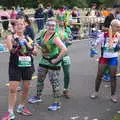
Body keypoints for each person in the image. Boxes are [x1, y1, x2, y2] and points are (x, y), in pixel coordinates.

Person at [28, 18, 67, 111]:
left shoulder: (55, 38)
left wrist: (57, 59)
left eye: (53, 26)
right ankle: (38, 97)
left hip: (54, 62)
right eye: (49, 25)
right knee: (40, 79)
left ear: (55, 27)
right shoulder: (43, 33)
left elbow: (64, 49)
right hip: (44, 60)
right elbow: (36, 41)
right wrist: (36, 48)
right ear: (46, 25)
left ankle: (56, 103)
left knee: (54, 82)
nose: (51, 27)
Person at [1, 18, 36, 120]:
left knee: (26, 88)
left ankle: (21, 107)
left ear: (25, 27)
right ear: (14, 27)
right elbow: (12, 51)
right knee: (13, 89)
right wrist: (18, 44)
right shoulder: (10, 37)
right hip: (15, 66)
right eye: (17, 24)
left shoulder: (28, 38)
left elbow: (35, 52)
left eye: (22, 24)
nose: (20, 26)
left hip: (27, 65)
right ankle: (10, 112)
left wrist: (27, 44)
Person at [90, 19, 120, 103]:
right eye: (117, 27)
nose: (119, 28)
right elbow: (95, 43)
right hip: (104, 58)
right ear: (112, 26)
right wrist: (92, 50)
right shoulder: (104, 35)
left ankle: (113, 95)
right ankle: (95, 92)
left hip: (113, 58)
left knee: (113, 77)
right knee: (99, 75)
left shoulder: (118, 35)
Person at [56, 18, 72, 98]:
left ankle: (65, 89)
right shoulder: (54, 29)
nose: (61, 22)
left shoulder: (67, 29)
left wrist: (69, 41)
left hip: (65, 55)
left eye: (62, 20)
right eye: (59, 20)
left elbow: (70, 40)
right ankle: (56, 90)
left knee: (67, 73)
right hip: (56, 54)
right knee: (55, 74)